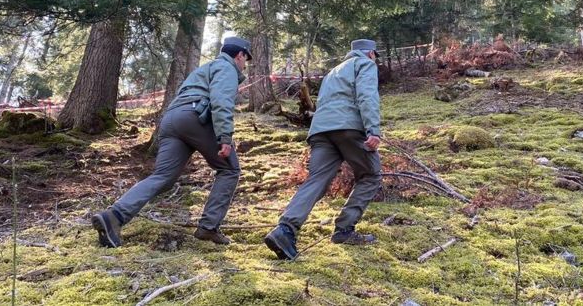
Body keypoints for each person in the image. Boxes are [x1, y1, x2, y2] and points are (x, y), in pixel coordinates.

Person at [92, 36, 251, 247]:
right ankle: (208, 227)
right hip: (196, 118)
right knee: (230, 169)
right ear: (239, 54)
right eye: (245, 60)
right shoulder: (227, 68)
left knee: (163, 177)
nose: (244, 65)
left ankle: (114, 217)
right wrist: (225, 137)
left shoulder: (205, 68)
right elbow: (221, 101)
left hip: (171, 120)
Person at [264, 39, 383, 260]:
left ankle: (285, 230)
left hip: (320, 131)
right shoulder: (365, 65)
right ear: (371, 54)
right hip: (348, 128)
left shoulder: (333, 72)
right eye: (375, 56)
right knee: (371, 174)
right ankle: (344, 230)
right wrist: (373, 130)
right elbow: (367, 96)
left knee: (316, 180)